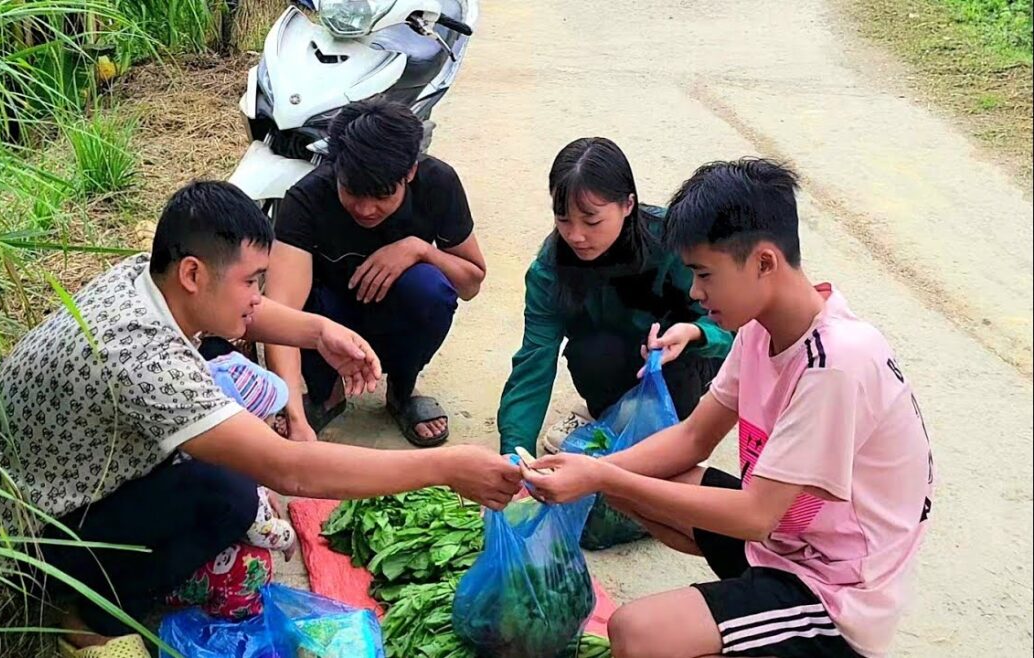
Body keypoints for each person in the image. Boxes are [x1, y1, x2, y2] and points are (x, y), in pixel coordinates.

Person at [0, 181, 520, 657]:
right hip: (35, 536)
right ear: (193, 272)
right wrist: (447, 467)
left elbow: (243, 313)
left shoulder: (150, 278)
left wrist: (317, 332)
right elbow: (292, 470)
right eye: (253, 281)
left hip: (45, 475)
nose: (259, 297)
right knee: (230, 495)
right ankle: (85, 619)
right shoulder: (145, 360)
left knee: (234, 469)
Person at [519, 159, 934, 658]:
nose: (694, 292)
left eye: (704, 274)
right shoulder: (762, 329)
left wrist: (602, 479)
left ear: (763, 262)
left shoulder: (836, 364)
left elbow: (758, 515)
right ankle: (749, 612)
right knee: (638, 487)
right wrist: (592, 470)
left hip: (834, 588)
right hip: (789, 536)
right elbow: (694, 437)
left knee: (635, 632)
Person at [265, 99, 486, 447]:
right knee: (294, 292)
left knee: (430, 287)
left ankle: (401, 390)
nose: (366, 209)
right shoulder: (306, 200)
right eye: (352, 192)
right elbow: (277, 317)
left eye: (383, 194)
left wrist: (420, 249)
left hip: (394, 315)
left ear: (410, 172)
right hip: (328, 318)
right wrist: (292, 411)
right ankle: (325, 394)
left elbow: (471, 282)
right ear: (335, 168)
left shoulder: (438, 184)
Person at [496, 137, 732, 456]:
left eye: (591, 220)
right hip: (610, 359)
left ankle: (652, 432)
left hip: (678, 357)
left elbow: (736, 324)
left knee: (670, 385)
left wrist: (697, 333)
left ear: (628, 205)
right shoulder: (550, 270)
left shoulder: (676, 242)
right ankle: (606, 418)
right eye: (563, 219)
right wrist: (515, 454)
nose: (576, 236)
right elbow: (534, 361)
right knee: (591, 354)